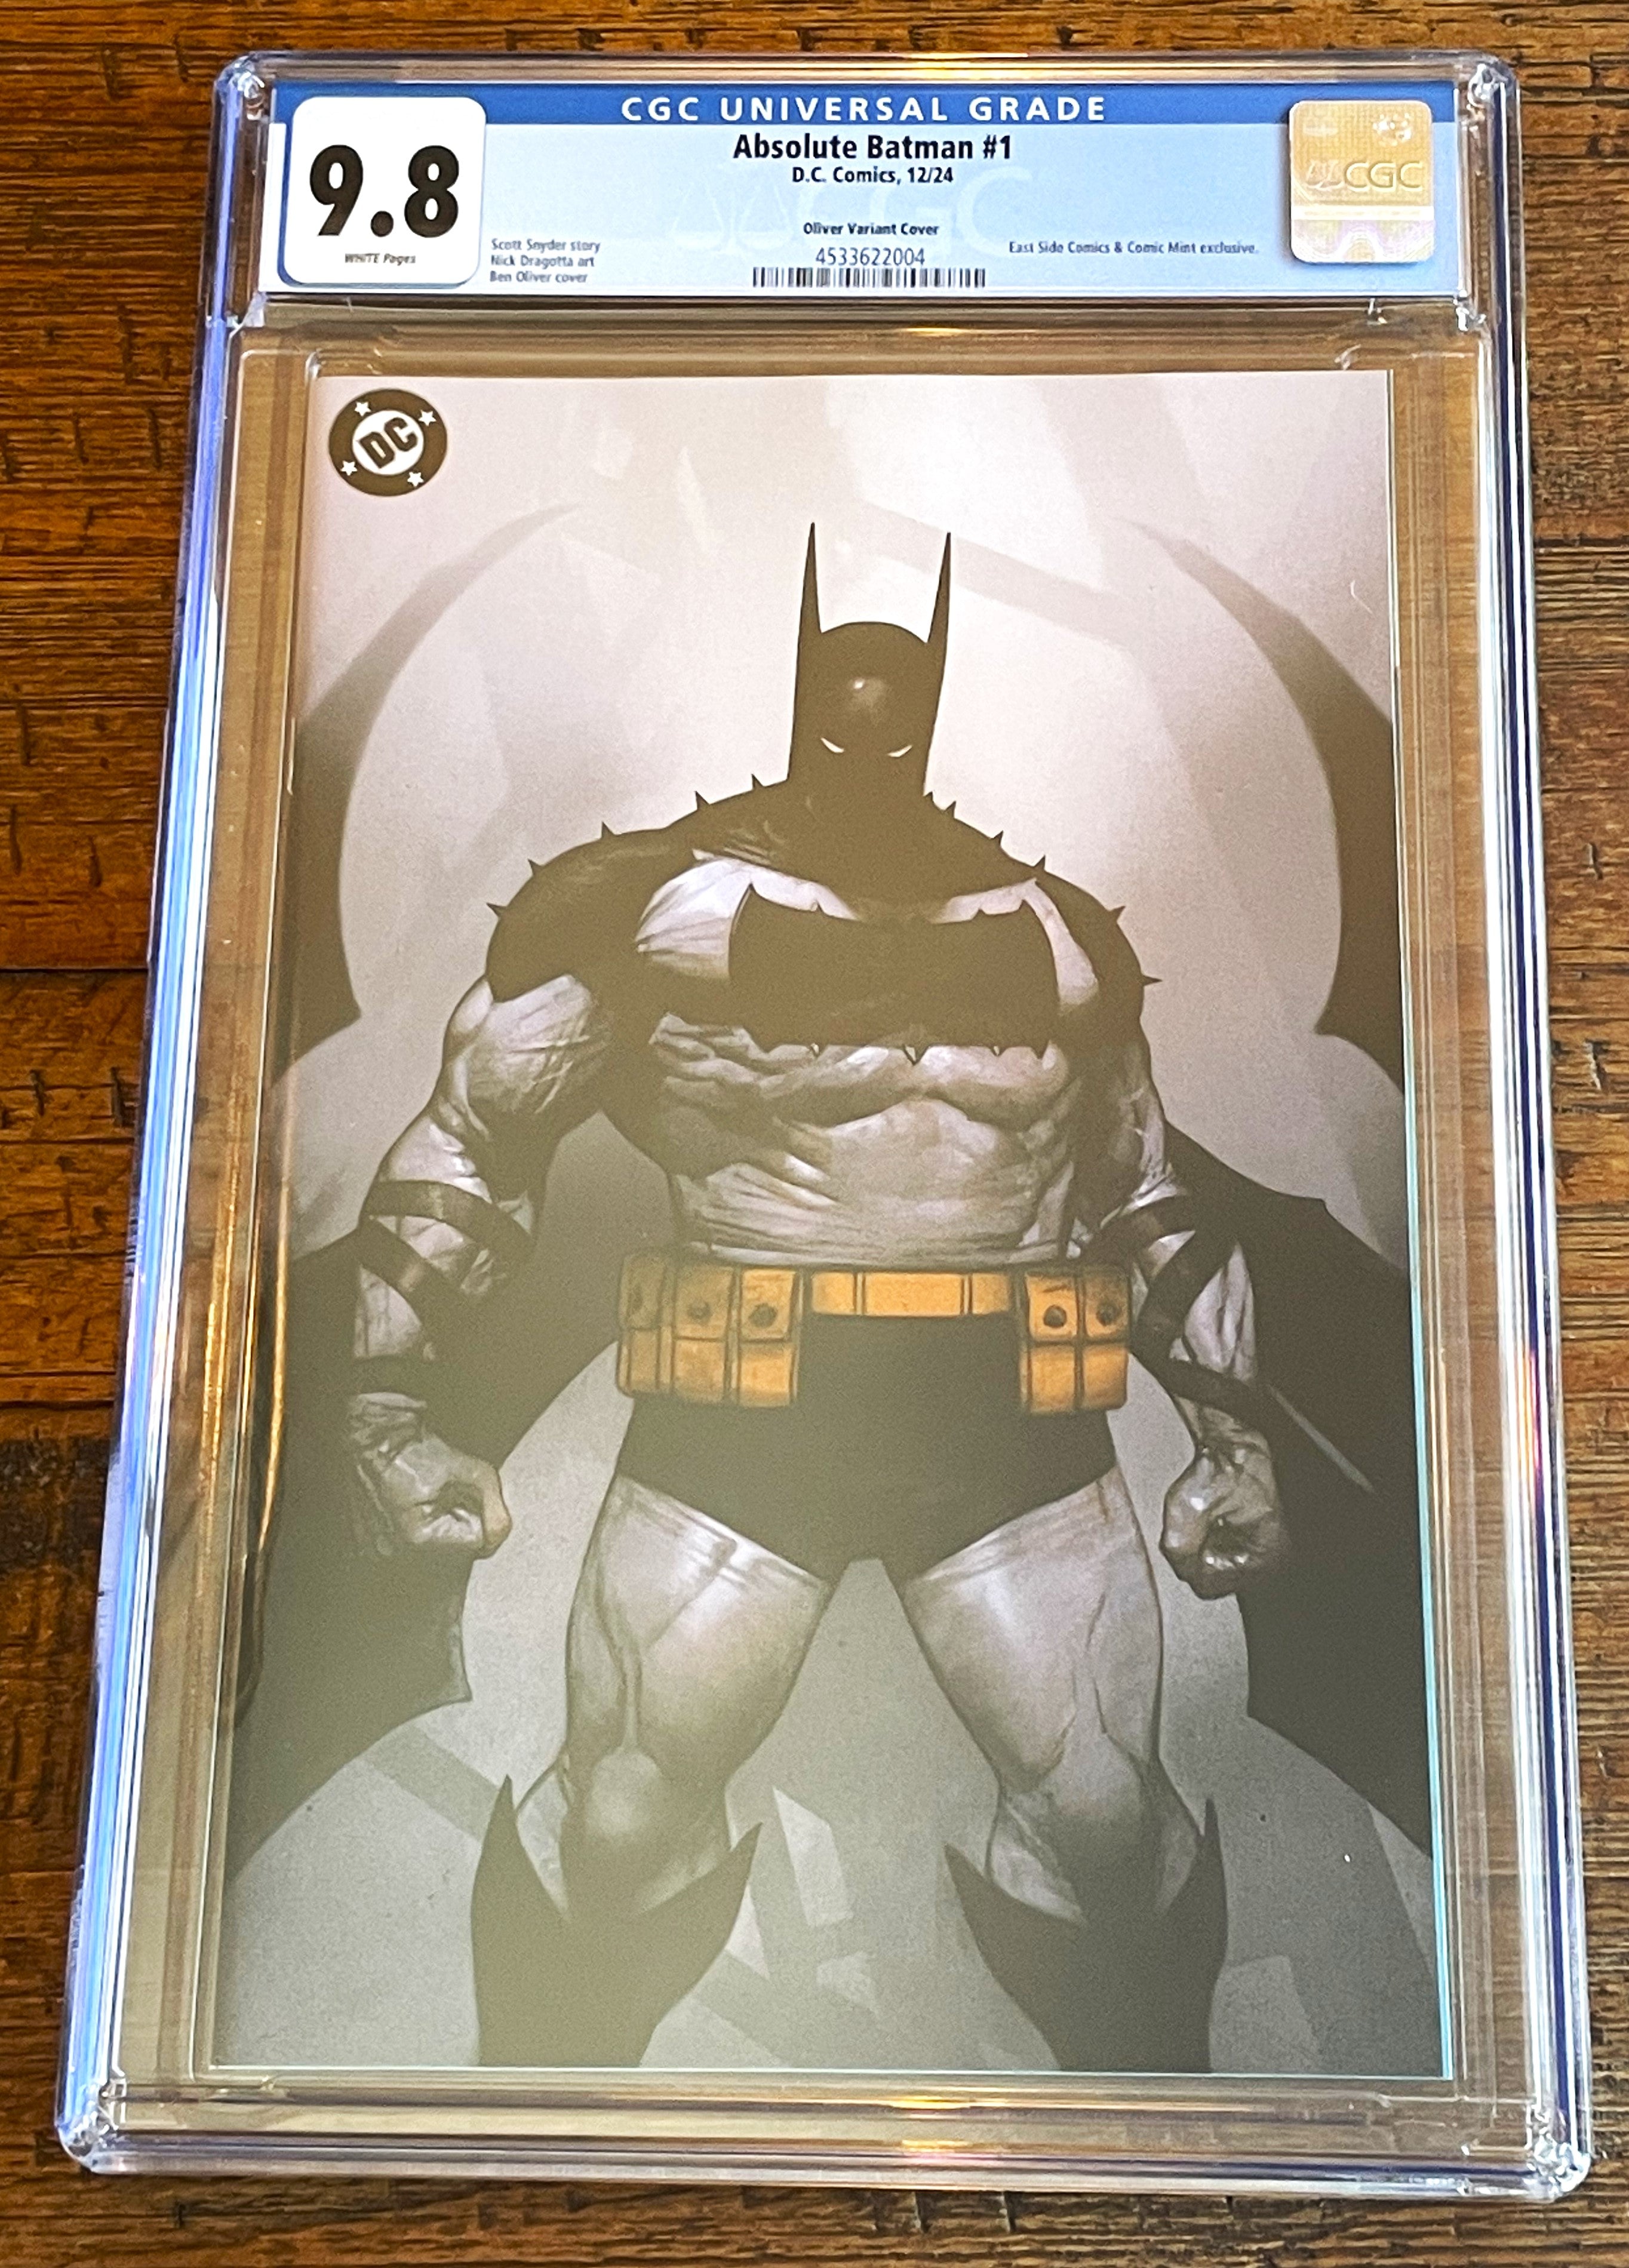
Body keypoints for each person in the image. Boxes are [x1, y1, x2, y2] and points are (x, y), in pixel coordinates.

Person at [343, 529, 1289, 2072]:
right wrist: (386, 1414)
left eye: (895, 699)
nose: (867, 729)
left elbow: (1139, 1189)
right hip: (745, 1412)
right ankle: (535, 2153)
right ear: (799, 694)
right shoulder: (648, 919)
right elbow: (472, 1140)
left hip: (1004, 1418)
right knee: (619, 1828)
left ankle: (1150, 2162)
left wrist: (1236, 1438)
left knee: (1107, 1832)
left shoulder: (1052, 937)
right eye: (840, 696)